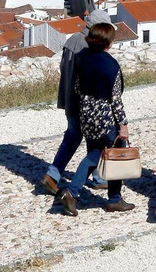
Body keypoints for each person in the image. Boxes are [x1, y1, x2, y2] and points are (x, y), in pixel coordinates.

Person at [58, 22, 133, 216]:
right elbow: (115, 99)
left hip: (86, 115)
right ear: (108, 43)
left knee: (94, 152)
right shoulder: (111, 65)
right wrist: (123, 125)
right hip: (105, 117)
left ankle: (77, 193)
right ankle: (107, 198)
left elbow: (76, 88)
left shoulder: (81, 58)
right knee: (113, 156)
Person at [40, 10, 111, 196]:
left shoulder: (71, 40)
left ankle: (55, 174)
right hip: (84, 102)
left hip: (70, 100)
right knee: (94, 139)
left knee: (73, 138)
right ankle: (60, 175)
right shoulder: (88, 46)